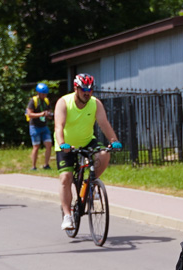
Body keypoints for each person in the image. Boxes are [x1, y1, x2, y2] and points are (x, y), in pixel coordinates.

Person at [53, 73, 122, 230]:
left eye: (90, 89)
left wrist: (114, 141)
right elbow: (59, 126)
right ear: (76, 88)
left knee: (104, 154)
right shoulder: (64, 102)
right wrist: (63, 143)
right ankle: (67, 216)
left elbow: (104, 123)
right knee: (65, 178)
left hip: (86, 141)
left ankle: (90, 184)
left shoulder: (95, 103)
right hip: (66, 144)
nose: (87, 92)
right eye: (84, 89)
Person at [27, 82, 53, 170]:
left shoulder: (46, 101)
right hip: (34, 126)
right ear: (38, 93)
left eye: (45, 93)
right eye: (42, 94)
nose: (44, 95)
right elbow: (29, 114)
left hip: (44, 126)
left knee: (49, 144)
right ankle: (33, 166)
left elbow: (49, 113)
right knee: (36, 146)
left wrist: (49, 115)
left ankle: (46, 165)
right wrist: (41, 114)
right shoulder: (33, 101)